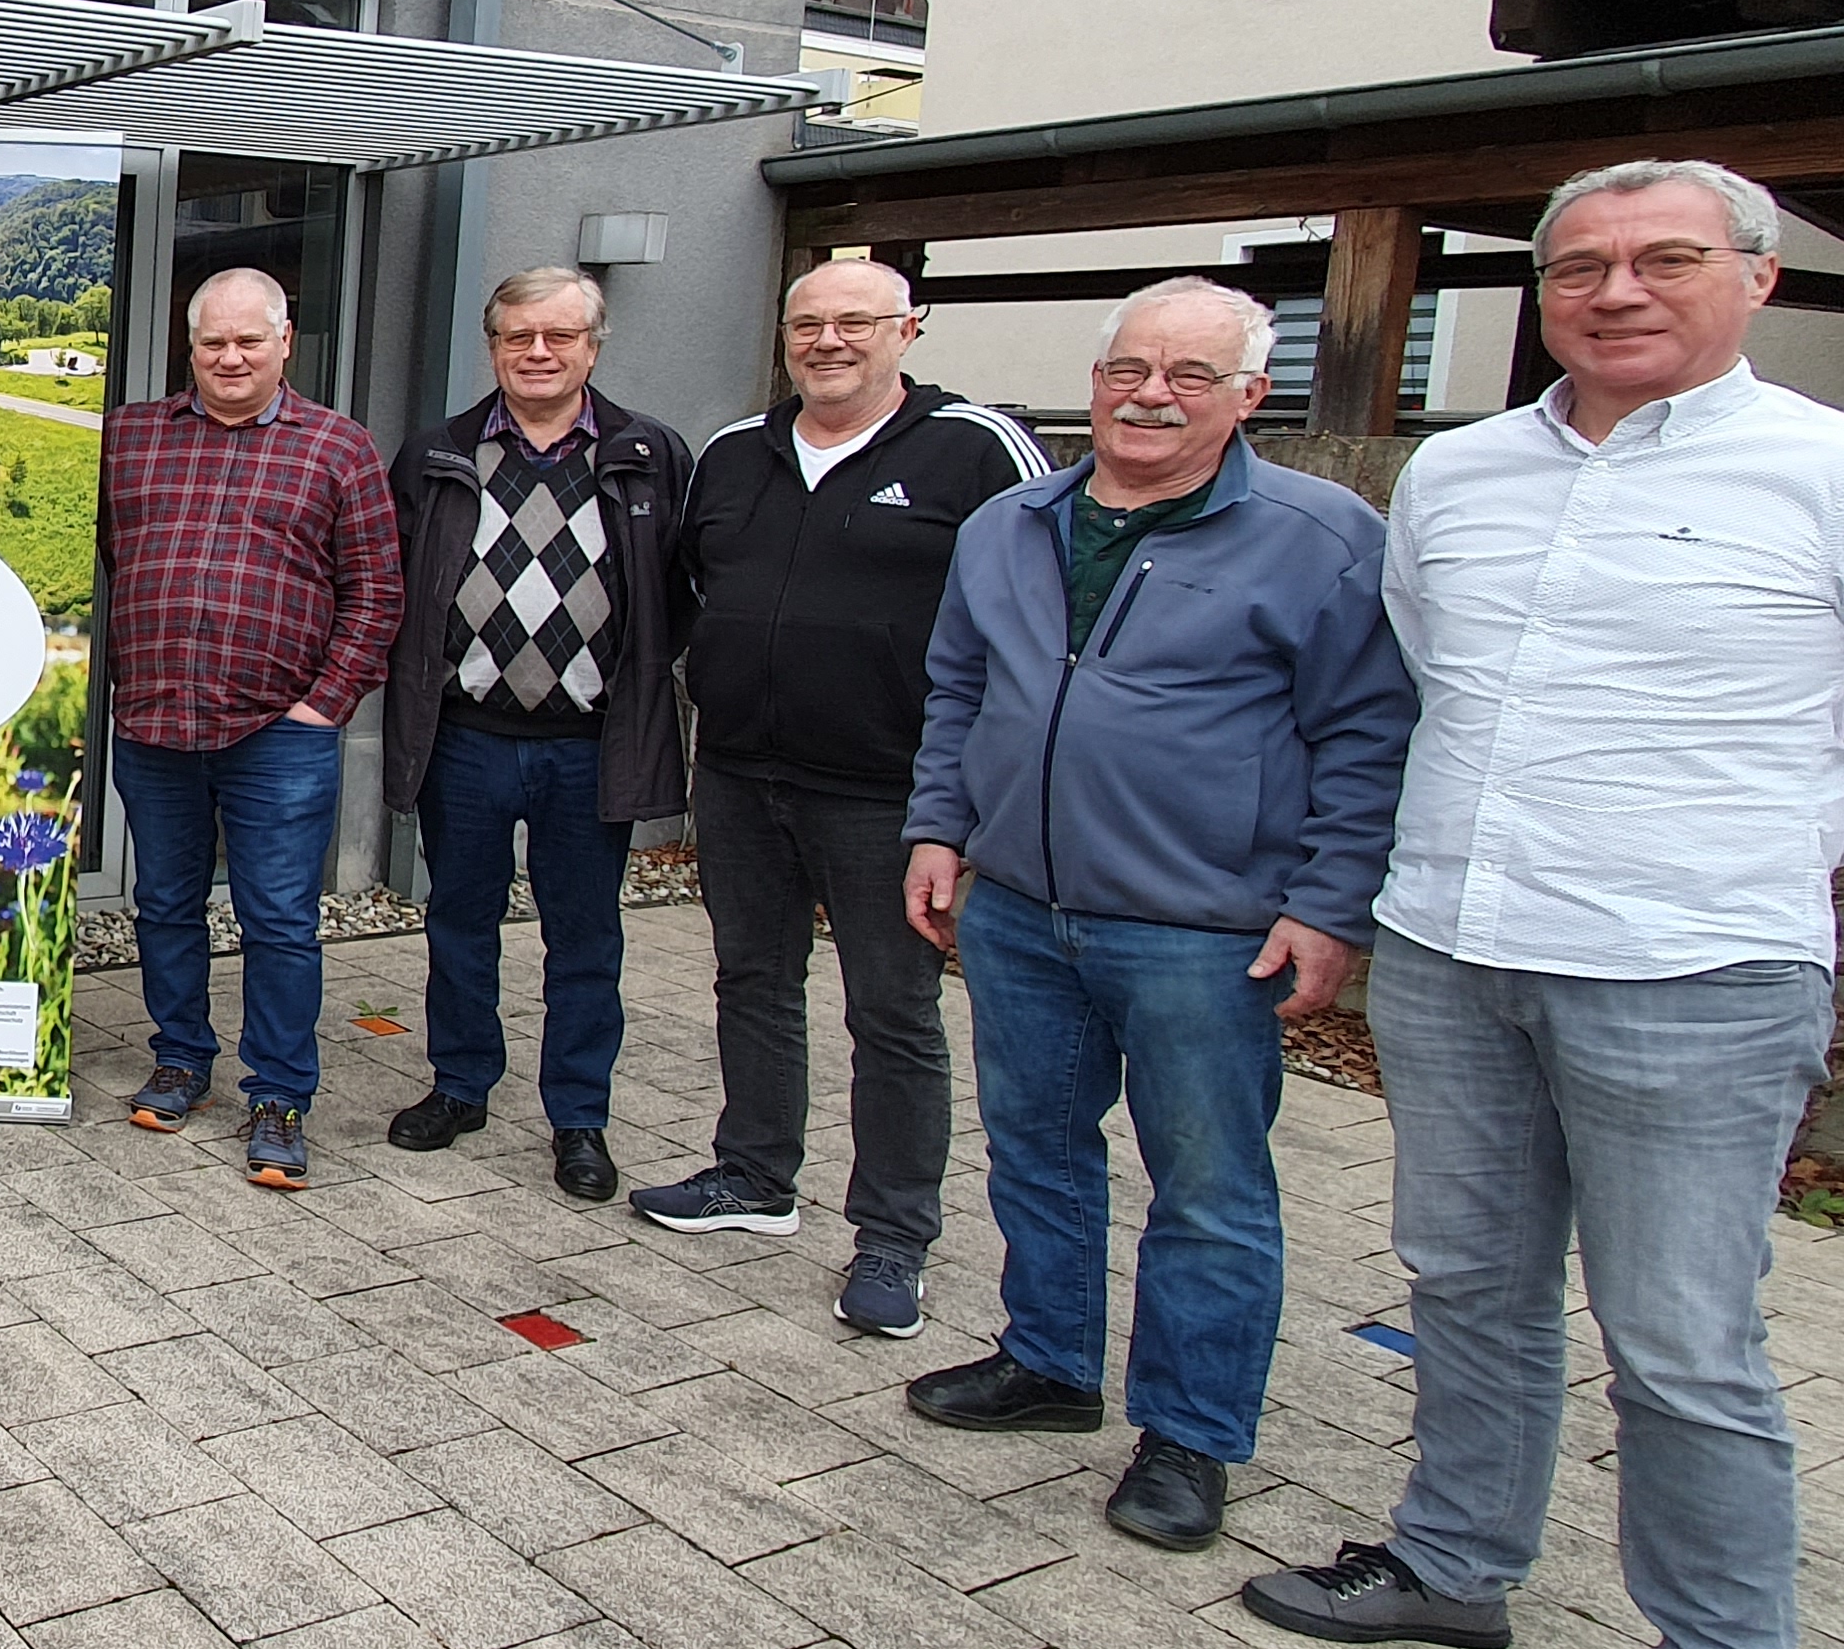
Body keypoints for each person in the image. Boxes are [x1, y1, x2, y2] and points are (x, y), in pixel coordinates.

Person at [1240, 164, 1844, 1649]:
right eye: (1576, 264)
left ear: (1755, 274)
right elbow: (1422, 680)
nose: (1611, 290)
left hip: (1691, 969)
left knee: (1677, 1340)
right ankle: (1450, 1560)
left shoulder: (1817, 471)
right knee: (1466, 1283)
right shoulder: (1462, 470)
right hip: (1454, 941)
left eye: (1661, 259)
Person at [900, 277, 1415, 1553]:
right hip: (1020, 901)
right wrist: (937, 827)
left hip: (1205, 926)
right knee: (1037, 1147)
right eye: (1130, 368)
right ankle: (1052, 1364)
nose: (1150, 395)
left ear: (1251, 396)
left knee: (1208, 1189)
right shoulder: (1013, 524)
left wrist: (1329, 903)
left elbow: (1366, 734)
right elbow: (960, 689)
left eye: (1190, 376)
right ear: (1095, 381)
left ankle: (1189, 1435)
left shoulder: (1321, 536)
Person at [641, 261, 1049, 1336]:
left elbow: (1034, 622)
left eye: (855, 322)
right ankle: (754, 1175)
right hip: (737, 769)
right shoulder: (735, 452)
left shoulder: (976, 450)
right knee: (751, 979)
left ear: (907, 330)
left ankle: (894, 1237)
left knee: (894, 1012)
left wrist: (965, 810)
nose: (829, 341)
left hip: (893, 792)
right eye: (808, 322)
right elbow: (695, 589)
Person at [380, 268, 695, 1200]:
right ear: (494, 347)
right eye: (519, 337)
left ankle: (579, 1117)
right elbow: (400, 581)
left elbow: (680, 592)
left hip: (590, 741)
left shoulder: (648, 453)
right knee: (460, 923)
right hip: (467, 737)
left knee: (586, 936)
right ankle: (461, 1086)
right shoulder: (438, 452)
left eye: (559, 337)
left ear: (593, 347)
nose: (539, 353)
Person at [99, 266, 399, 1192]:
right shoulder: (128, 439)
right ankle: (182, 1058)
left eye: (248, 341)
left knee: (278, 921)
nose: (229, 357)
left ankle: (279, 1095)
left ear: (284, 342)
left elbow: (377, 592)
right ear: (189, 347)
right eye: (212, 342)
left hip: (279, 731)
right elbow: (109, 557)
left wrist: (323, 706)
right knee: (163, 905)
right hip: (154, 723)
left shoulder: (339, 449)